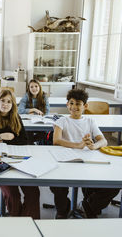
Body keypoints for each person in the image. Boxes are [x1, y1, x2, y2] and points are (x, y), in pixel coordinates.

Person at [50, 88, 119, 219]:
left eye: (78, 104)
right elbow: (56, 140)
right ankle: (63, 210)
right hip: (65, 162)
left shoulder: (90, 121)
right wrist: (78, 145)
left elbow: (103, 141)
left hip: (87, 162)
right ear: (67, 104)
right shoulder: (62, 121)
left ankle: (88, 206)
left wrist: (94, 146)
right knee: (57, 185)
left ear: (85, 106)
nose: (74, 107)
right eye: (71, 103)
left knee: (113, 186)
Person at [0, 89, 40, 219]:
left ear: (13, 104)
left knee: (33, 192)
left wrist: (11, 138)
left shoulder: (16, 118)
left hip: (18, 161)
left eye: (9, 102)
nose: (5, 104)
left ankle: (26, 222)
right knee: (13, 195)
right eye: (2, 101)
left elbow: (24, 140)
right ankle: (17, 222)